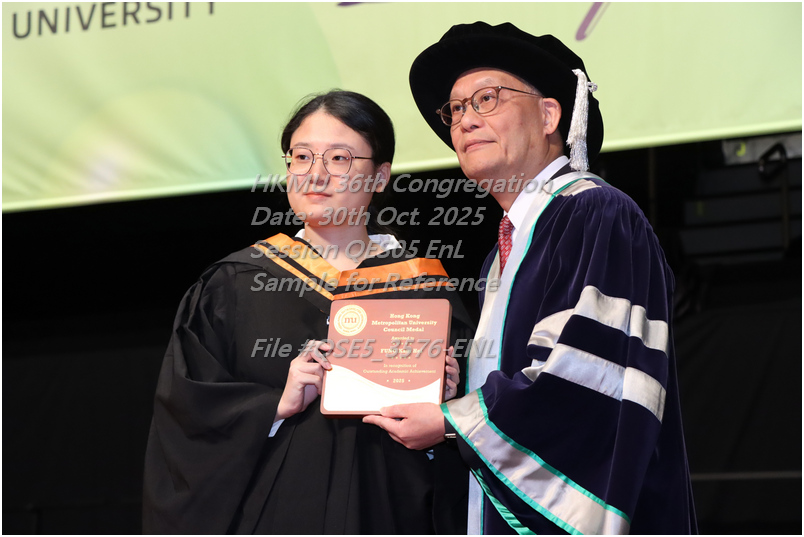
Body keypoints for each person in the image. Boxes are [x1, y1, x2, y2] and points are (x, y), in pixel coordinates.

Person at [363, 22, 698, 534]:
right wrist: (449, 389)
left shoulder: (595, 213)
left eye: (487, 99)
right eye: (455, 109)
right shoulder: (505, 250)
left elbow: (585, 382)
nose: (465, 121)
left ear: (548, 115)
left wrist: (453, 421)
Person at [142, 90, 472, 534]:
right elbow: (186, 415)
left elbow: (479, 429)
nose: (316, 174)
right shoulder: (236, 284)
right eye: (301, 157)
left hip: (392, 515)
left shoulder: (425, 291)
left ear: (380, 177)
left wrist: (448, 404)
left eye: (339, 158)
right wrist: (274, 406)